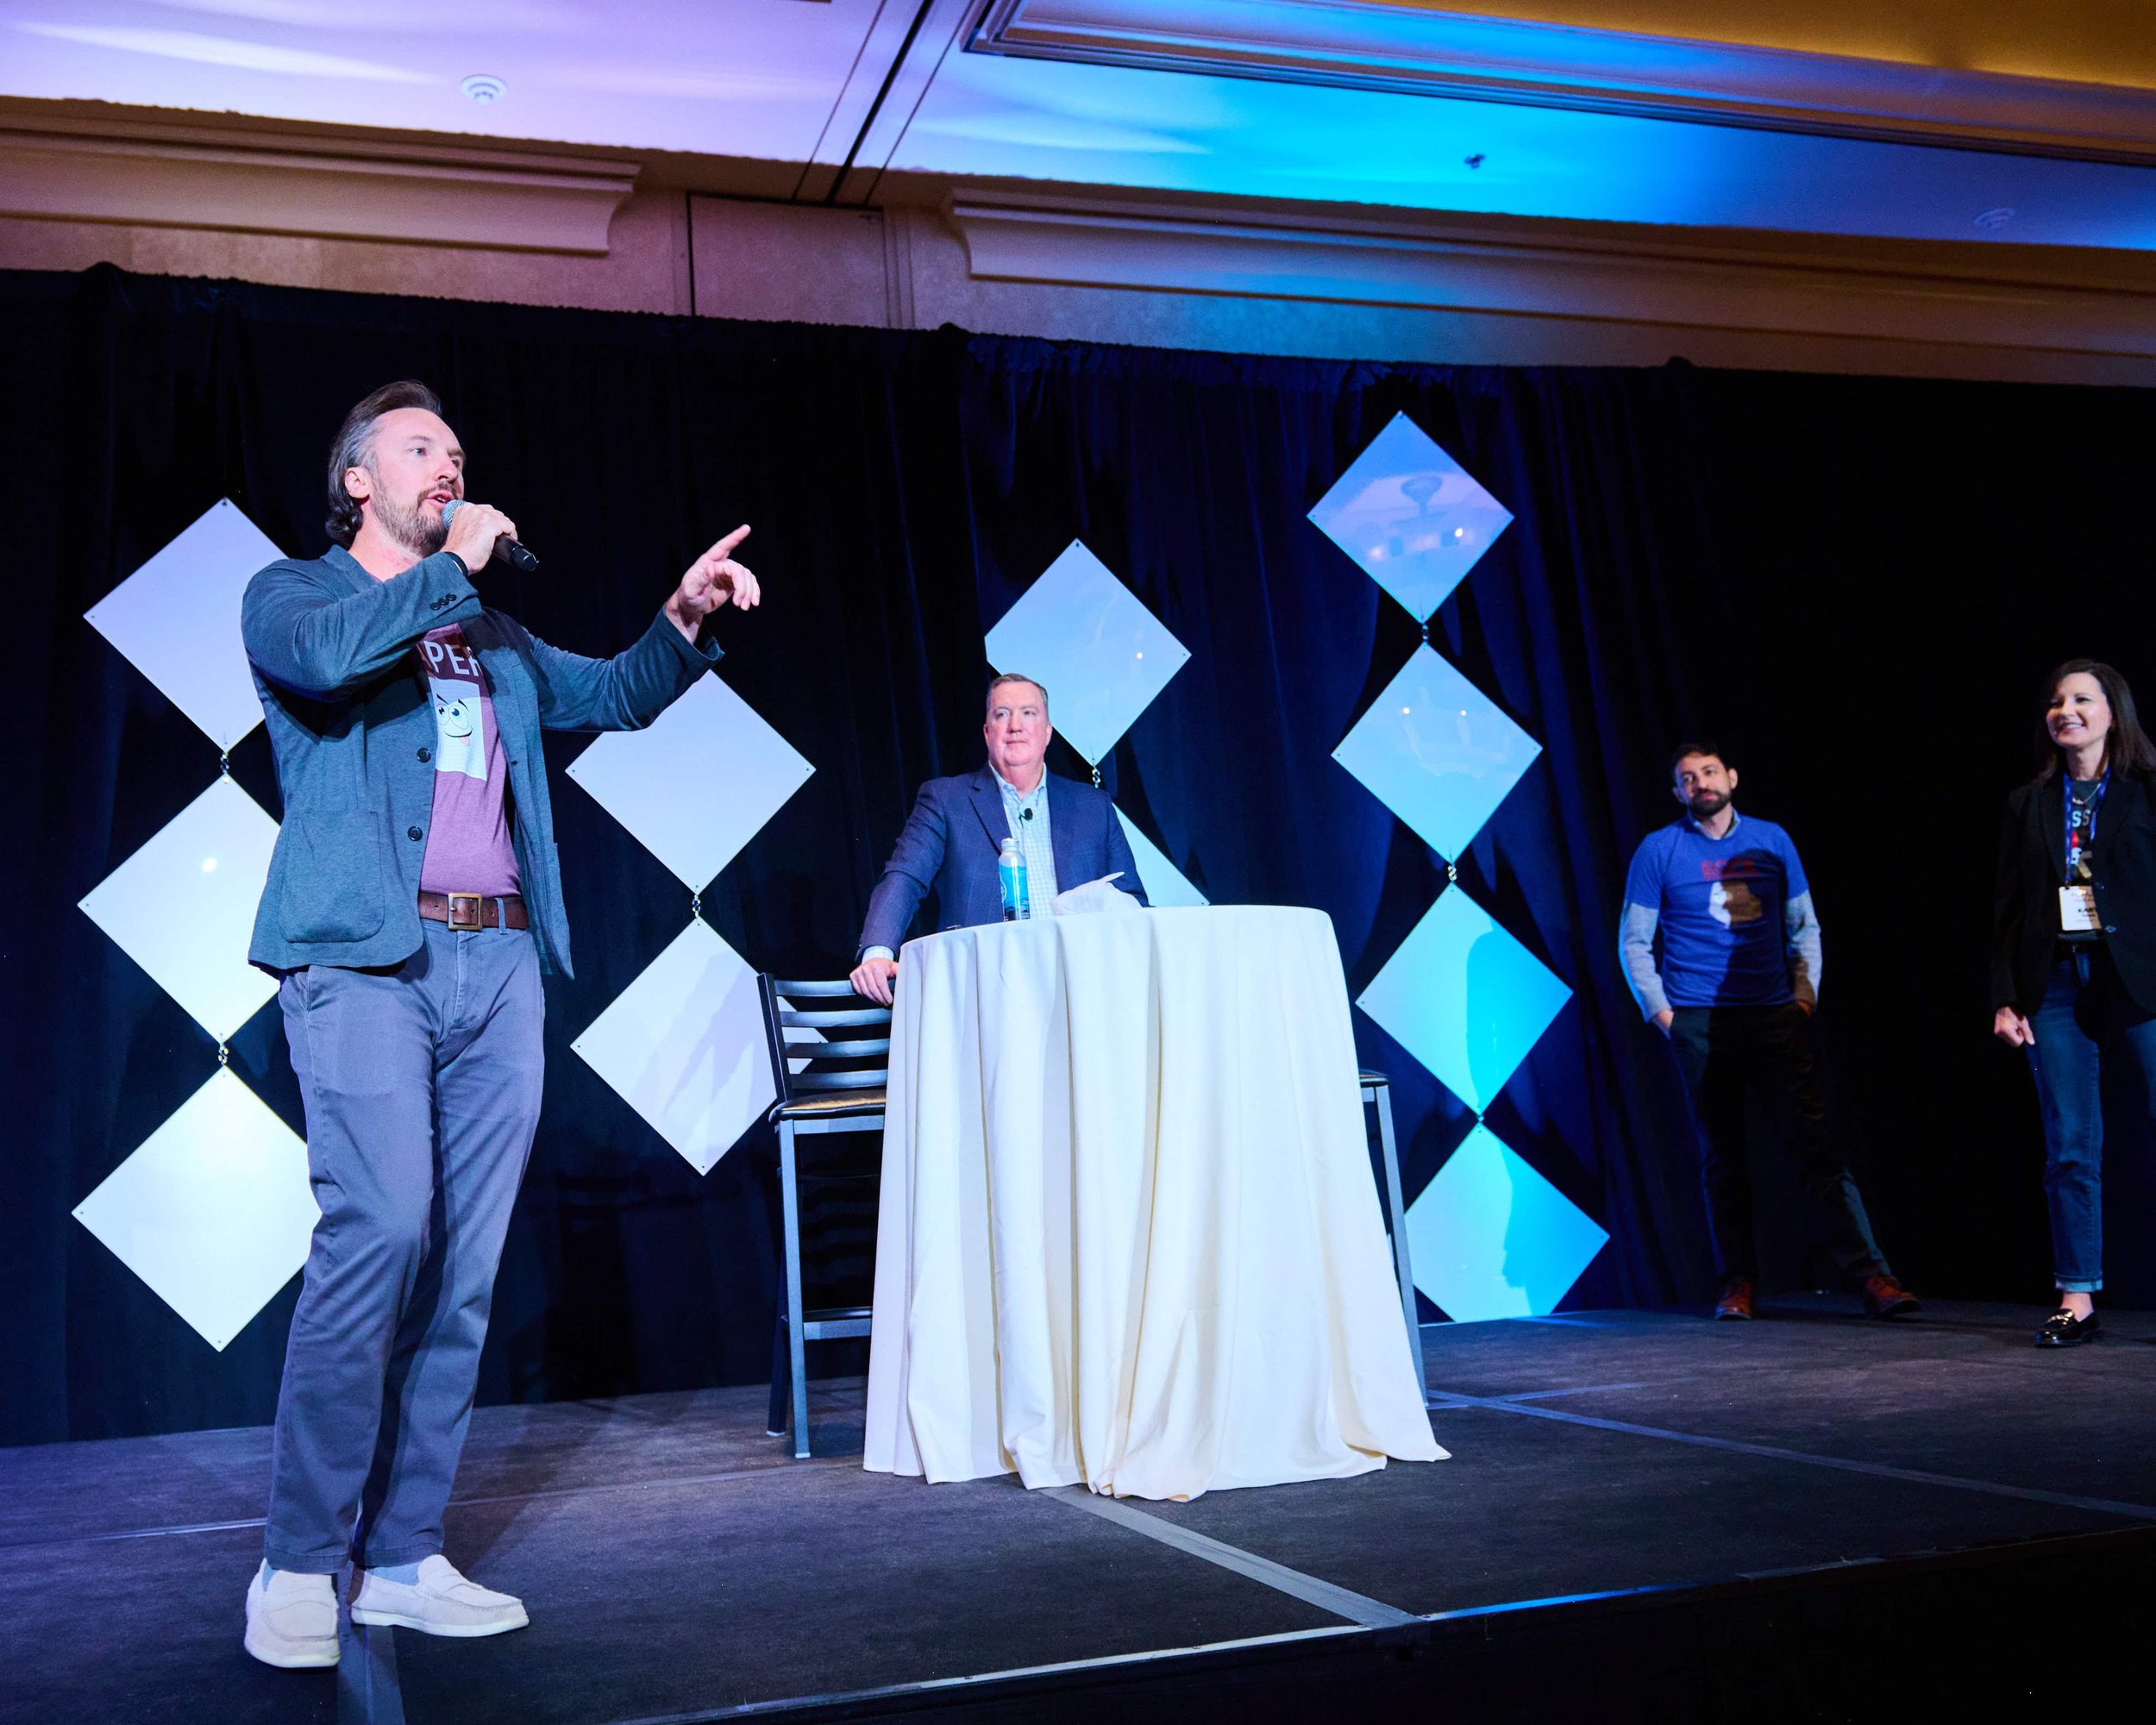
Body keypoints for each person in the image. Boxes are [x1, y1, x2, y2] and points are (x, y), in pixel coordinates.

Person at [236, 380, 762, 1669]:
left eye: (457, 453)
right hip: (363, 959)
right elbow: (328, 665)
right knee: (382, 1228)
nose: (449, 465)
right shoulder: (294, 595)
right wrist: (452, 571)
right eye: (421, 448)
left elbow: (612, 694)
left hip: (501, 961)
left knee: (466, 1264)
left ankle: (402, 1555)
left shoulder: (491, 634)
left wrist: (680, 620)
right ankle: (298, 1558)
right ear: (357, 479)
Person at [1621, 743, 1918, 1323]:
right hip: (1700, 1021)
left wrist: (1803, 999)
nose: (1701, 783)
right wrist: (1665, 1016)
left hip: (1772, 1015)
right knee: (1724, 1158)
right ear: (1677, 792)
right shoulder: (1659, 849)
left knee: (1816, 1149)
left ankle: (1872, 1277)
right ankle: (1738, 1283)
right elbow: (1634, 940)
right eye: (1688, 778)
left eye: (1709, 772)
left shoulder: (1772, 839)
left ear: (1732, 777)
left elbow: (1804, 925)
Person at [1992, 660, 2156, 1348]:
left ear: (2113, 713)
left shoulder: (2146, 791)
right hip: (2056, 983)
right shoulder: (2028, 804)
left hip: (2141, 979)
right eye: (2057, 702)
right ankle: (2077, 1297)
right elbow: (2007, 909)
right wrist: (2006, 997)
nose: (2067, 711)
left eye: (2083, 699)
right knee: (2069, 1146)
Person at [847, 675, 1147, 1004]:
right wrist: (877, 952)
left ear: (1047, 732)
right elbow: (906, 876)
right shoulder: (947, 800)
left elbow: (1131, 901)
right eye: (1002, 714)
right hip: (985, 992)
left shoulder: (1093, 806)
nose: (1015, 726)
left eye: (1028, 713)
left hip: (1080, 987)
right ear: (987, 732)